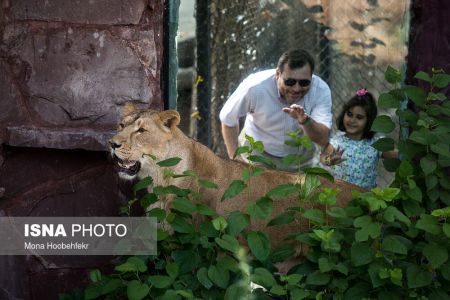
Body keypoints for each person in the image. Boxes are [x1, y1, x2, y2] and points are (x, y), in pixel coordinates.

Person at [219, 49, 332, 171]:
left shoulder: (320, 90)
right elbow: (228, 119)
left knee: (299, 190)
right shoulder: (255, 87)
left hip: (300, 157)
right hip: (257, 153)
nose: (296, 89)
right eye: (290, 82)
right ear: (278, 74)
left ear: (311, 78)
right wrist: (235, 158)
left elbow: (322, 138)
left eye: (304, 82)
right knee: (256, 190)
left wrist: (305, 121)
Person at [320, 89, 397, 189]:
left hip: (366, 200)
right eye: (349, 114)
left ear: (369, 121)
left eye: (359, 117)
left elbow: (397, 155)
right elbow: (323, 157)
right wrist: (330, 160)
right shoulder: (337, 141)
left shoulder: (376, 143)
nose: (352, 120)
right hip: (340, 198)